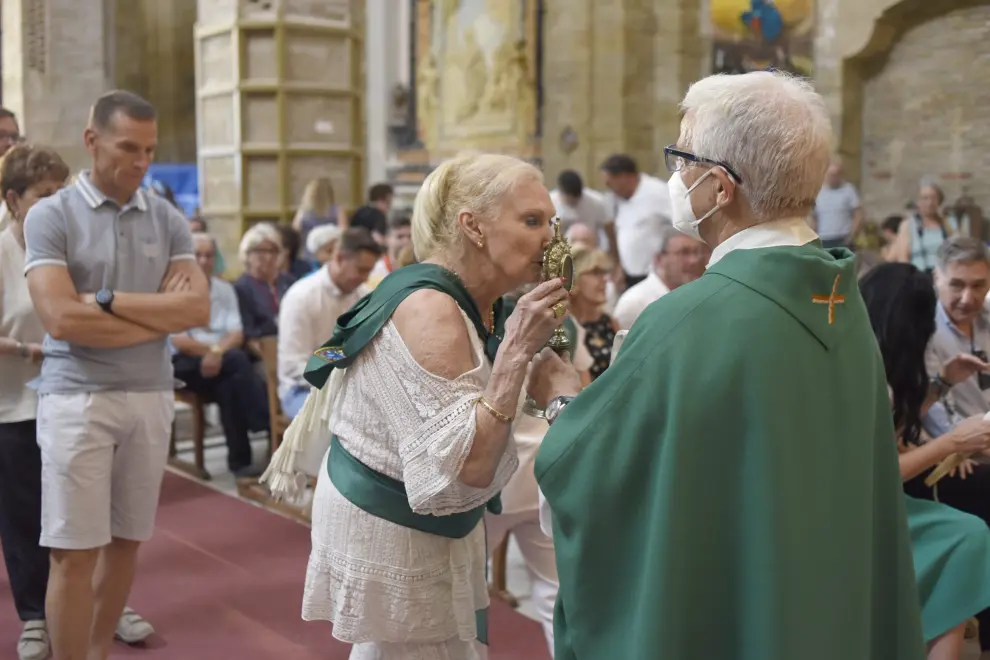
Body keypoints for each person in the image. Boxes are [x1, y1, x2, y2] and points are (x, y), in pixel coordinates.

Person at [531, 71, 926, 660]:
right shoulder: (844, 309)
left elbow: (590, 478)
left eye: (680, 156)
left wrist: (562, 399)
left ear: (719, 187)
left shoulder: (685, 321)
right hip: (823, 617)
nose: (672, 175)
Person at [261, 152, 570, 659]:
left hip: (416, 515)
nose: (551, 241)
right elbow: (463, 471)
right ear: (473, 227)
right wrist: (516, 354)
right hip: (400, 526)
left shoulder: (476, 300)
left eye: (551, 223)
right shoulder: (432, 310)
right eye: (532, 221)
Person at [23, 91, 209, 660]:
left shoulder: (168, 217)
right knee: (74, 551)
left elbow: (195, 311)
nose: (141, 161)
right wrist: (152, 316)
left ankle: (98, 652)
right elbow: (58, 317)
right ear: (91, 141)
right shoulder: (51, 214)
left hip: (150, 395)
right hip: (77, 398)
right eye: (128, 147)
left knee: (128, 540)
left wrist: (104, 302)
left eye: (149, 149)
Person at [861, 262, 990, 660]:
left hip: (874, 497)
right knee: (965, 535)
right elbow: (878, 471)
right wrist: (952, 441)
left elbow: (886, 431)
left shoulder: (868, 357)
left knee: (967, 531)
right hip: (857, 508)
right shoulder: (857, 371)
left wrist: (941, 384)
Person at [171, 232, 268, 478]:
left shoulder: (224, 289)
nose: (204, 261)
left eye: (209, 255)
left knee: (230, 383)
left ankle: (240, 464)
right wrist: (214, 351)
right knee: (237, 361)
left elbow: (237, 332)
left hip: (221, 360)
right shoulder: (173, 288)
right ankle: (262, 420)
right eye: (198, 255)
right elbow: (179, 339)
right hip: (184, 362)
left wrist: (216, 352)